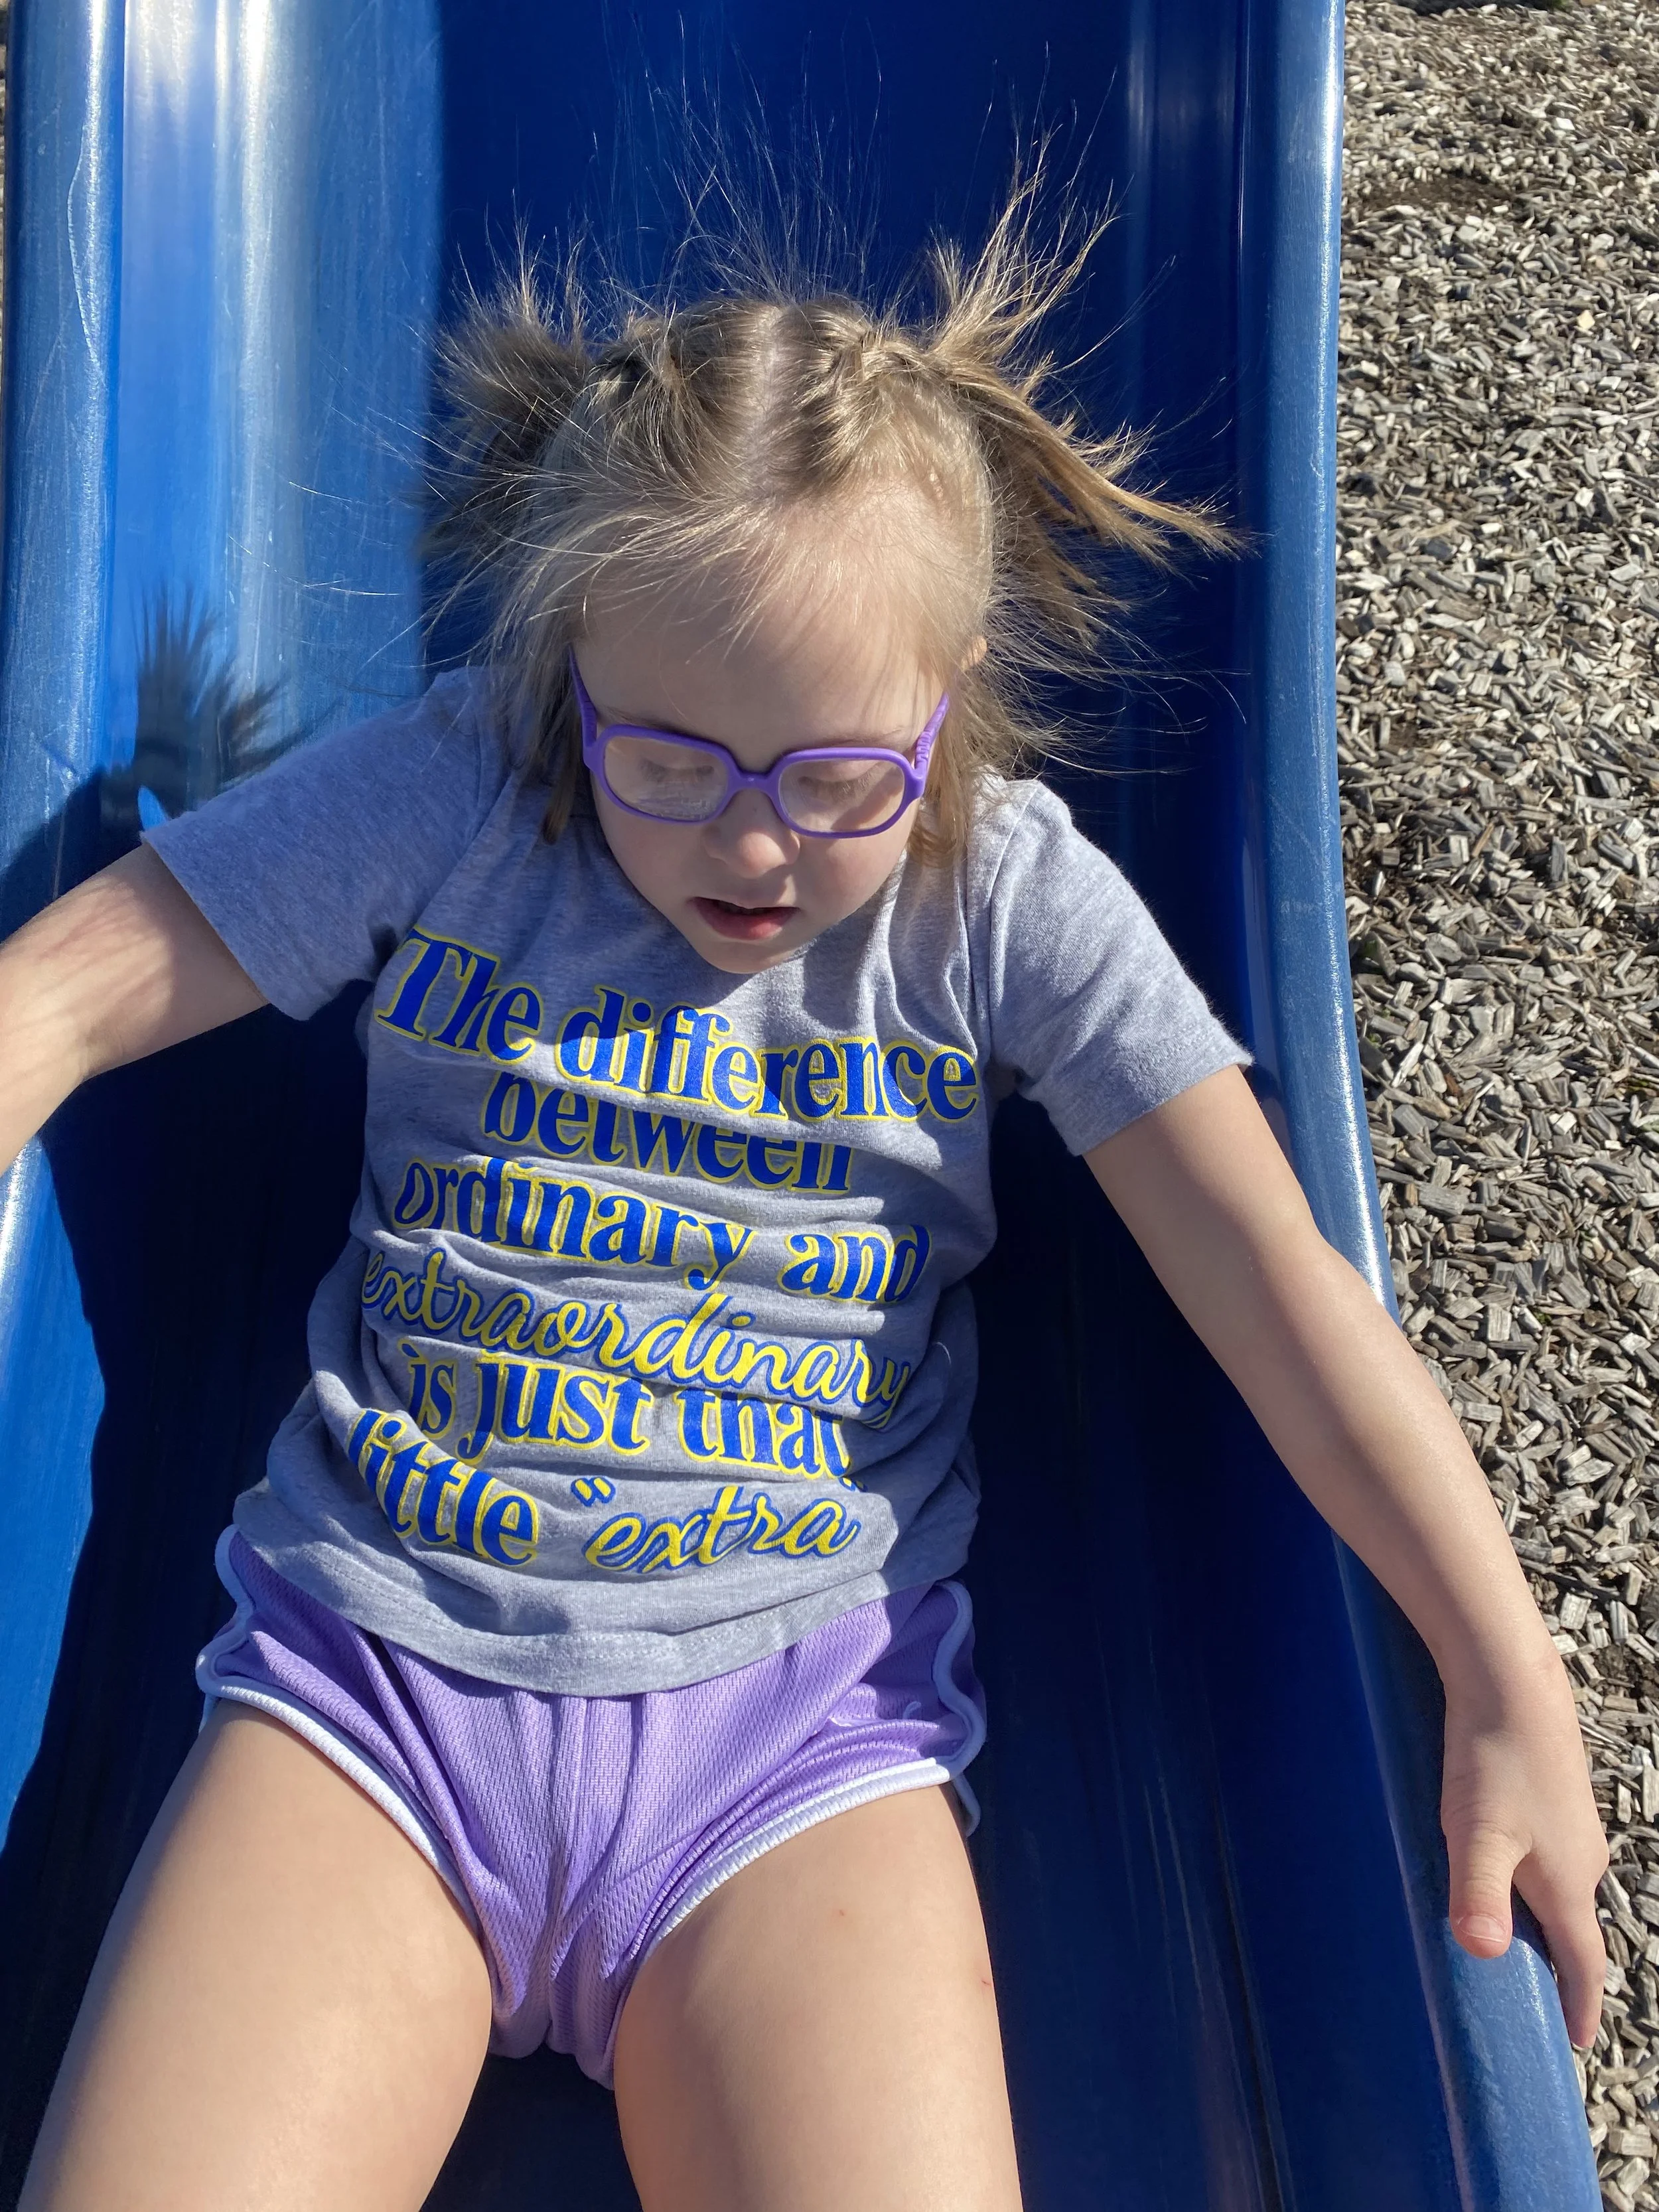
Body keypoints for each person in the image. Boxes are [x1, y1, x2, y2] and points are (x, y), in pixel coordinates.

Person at [5, 184, 1605, 2212]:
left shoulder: (1002, 896)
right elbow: (49, 1001)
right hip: (375, 1691)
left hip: (789, 1742)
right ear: (565, 666)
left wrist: (1502, 1669)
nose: (750, 841)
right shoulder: (455, 790)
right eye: (666, 757)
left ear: (945, 714)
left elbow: (1277, 1282)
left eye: (839, 777)